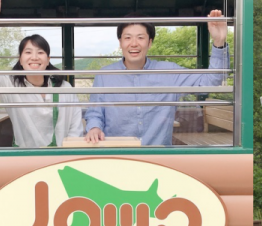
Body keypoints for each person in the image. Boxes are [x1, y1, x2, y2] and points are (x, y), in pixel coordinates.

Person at [84, 10, 229, 146]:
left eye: (140, 37)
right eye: (127, 38)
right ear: (120, 42)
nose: (134, 43)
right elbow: (95, 113)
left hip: (159, 160)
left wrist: (219, 42)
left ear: (150, 42)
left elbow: (211, 81)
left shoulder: (169, 72)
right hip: (117, 156)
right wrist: (94, 128)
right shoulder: (104, 75)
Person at [0, 0, 83, 148]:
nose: (34, 57)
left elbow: (76, 129)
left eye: (40, 52)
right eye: (28, 52)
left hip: (60, 159)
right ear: (20, 59)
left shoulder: (65, 88)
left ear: (47, 59)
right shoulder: (11, 87)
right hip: (25, 160)